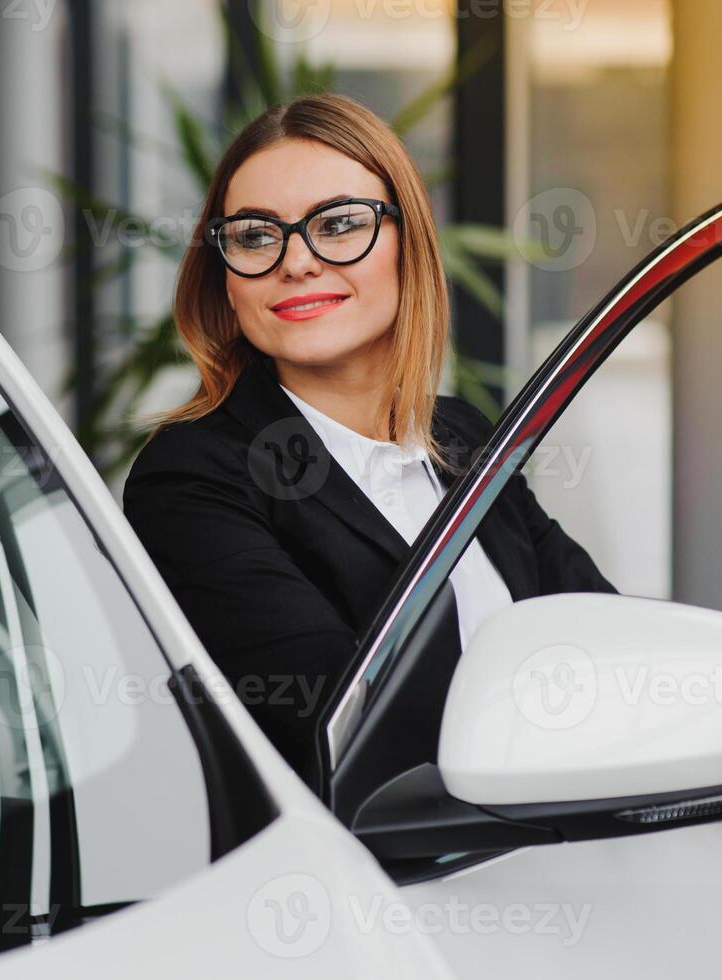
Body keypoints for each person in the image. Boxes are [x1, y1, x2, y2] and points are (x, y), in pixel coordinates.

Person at [121, 93, 615, 790]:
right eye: (255, 236)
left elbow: (603, 635)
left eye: (339, 223)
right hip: (360, 891)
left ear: (407, 243)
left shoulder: (463, 437)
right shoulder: (191, 478)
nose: (295, 261)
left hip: (551, 866)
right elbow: (351, 728)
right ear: (224, 278)